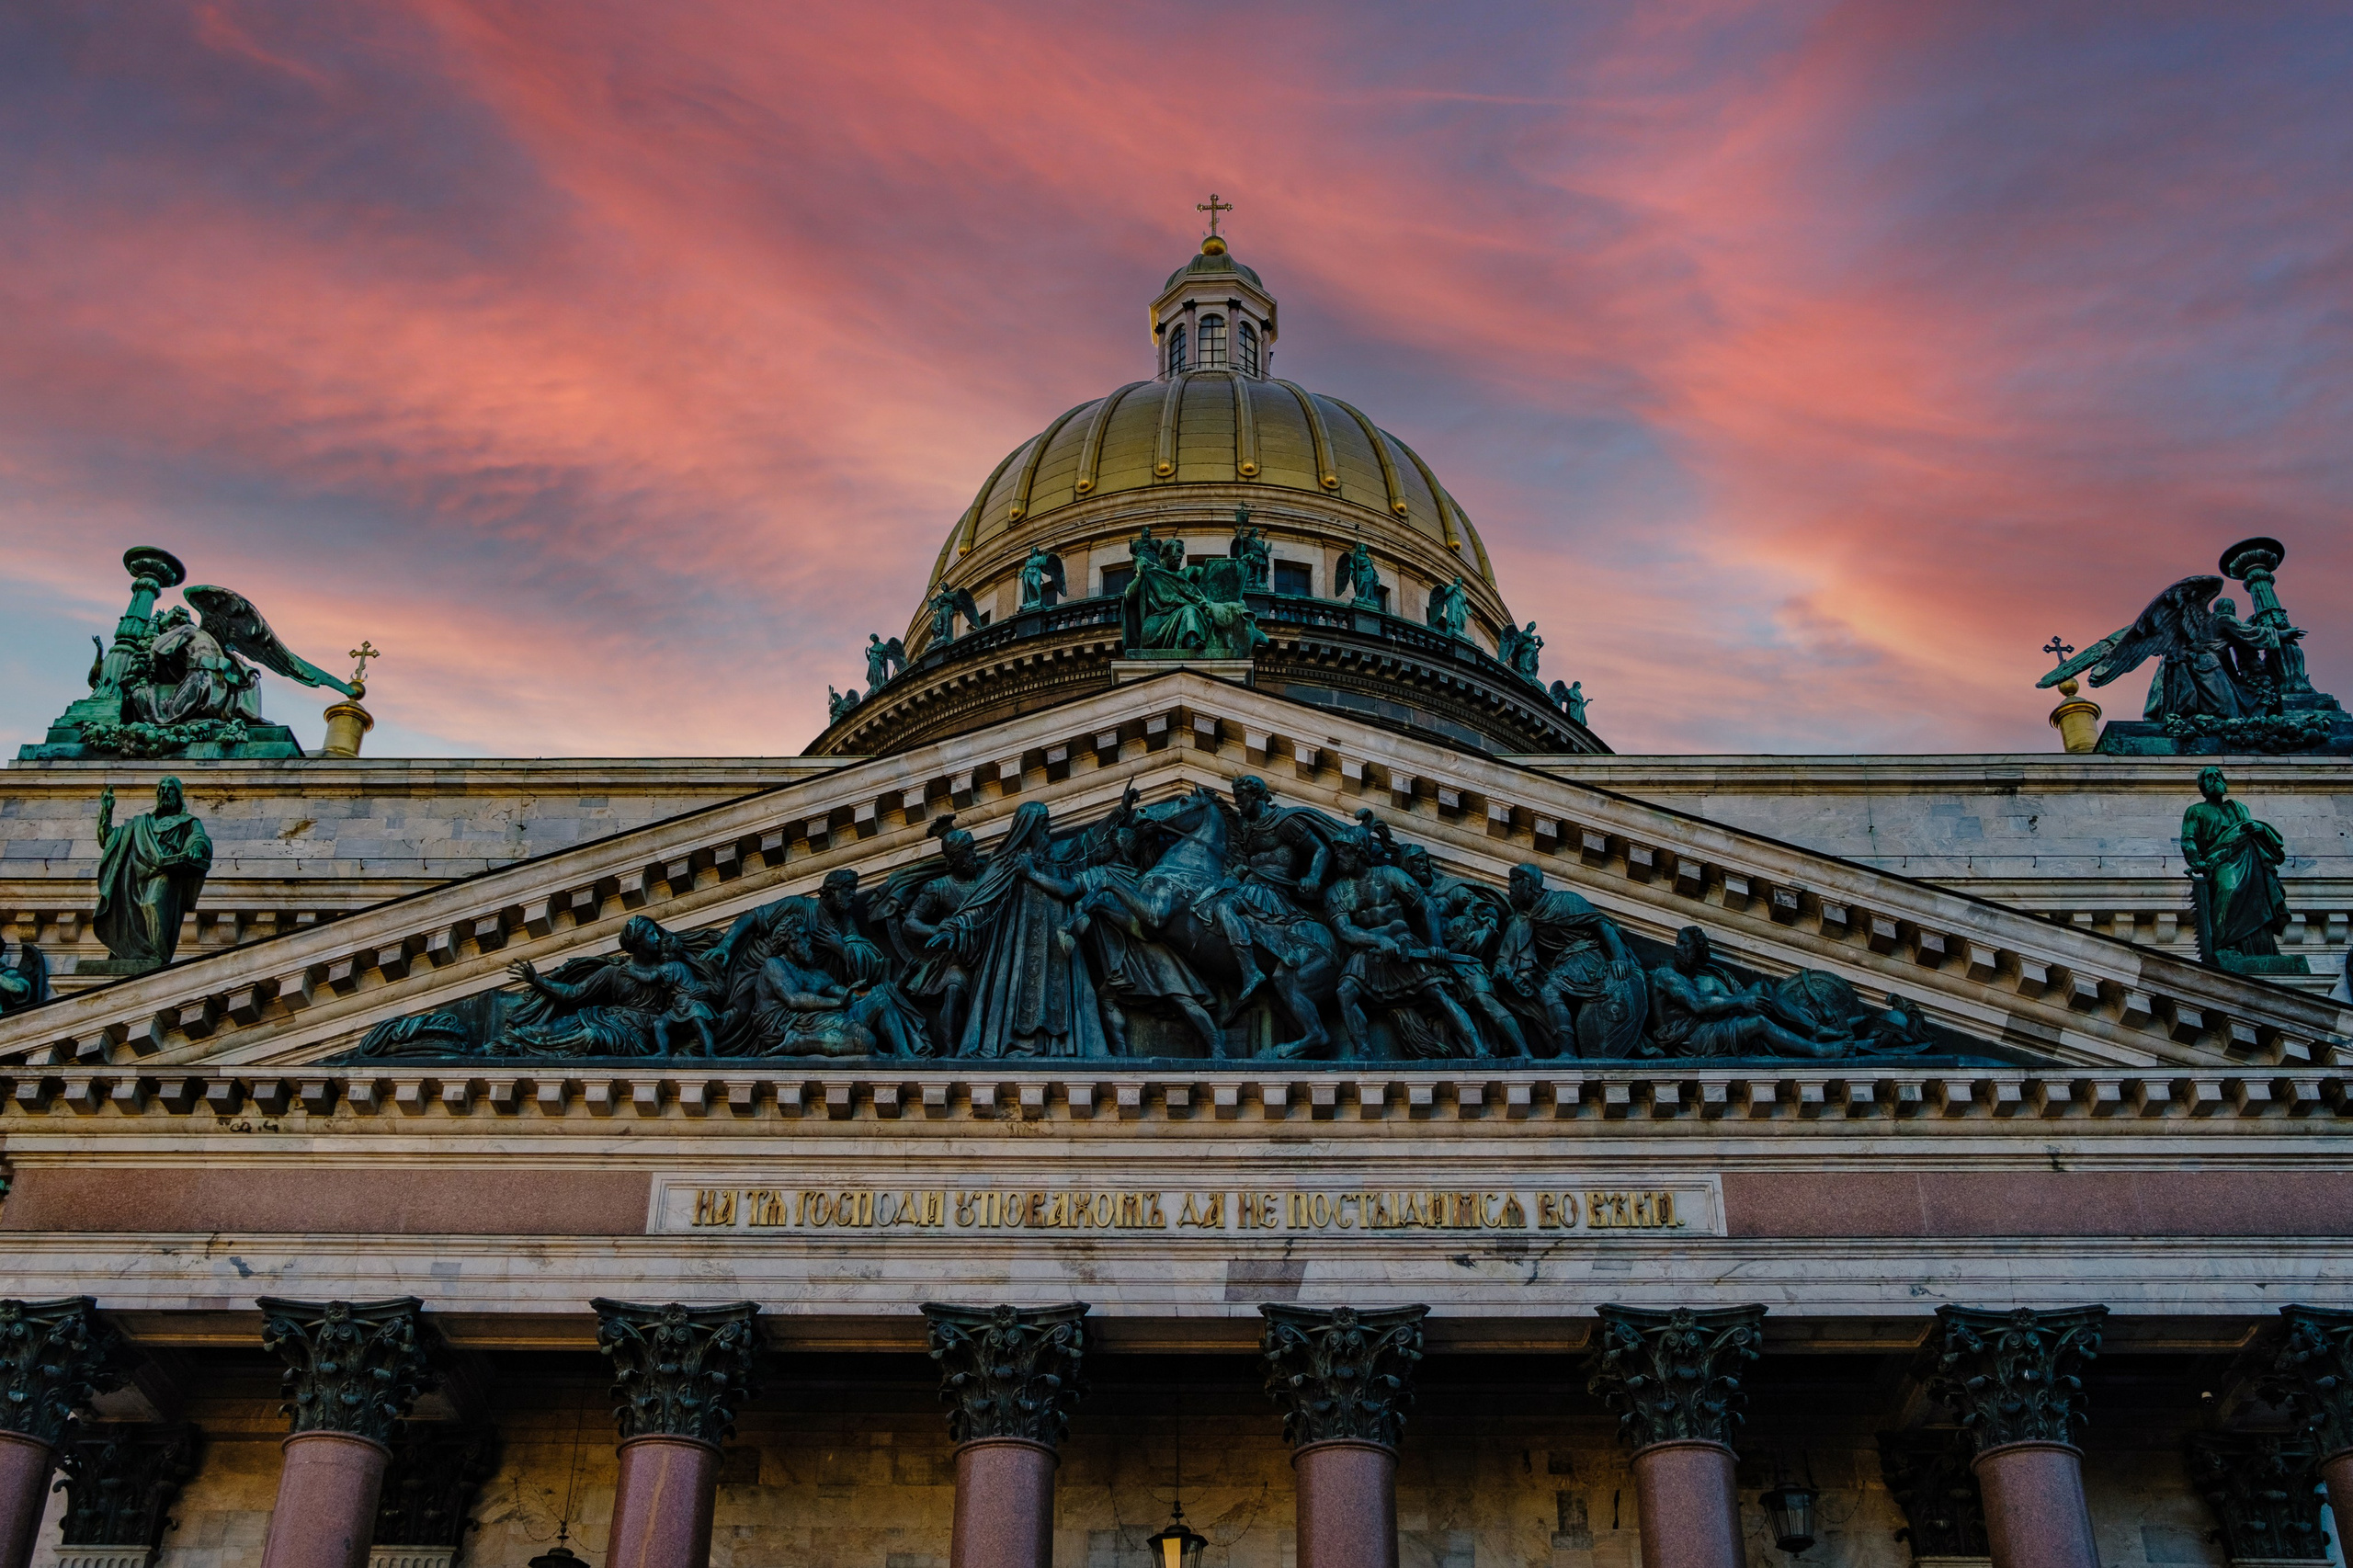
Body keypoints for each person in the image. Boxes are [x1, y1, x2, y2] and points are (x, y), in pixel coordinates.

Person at [928, 802, 1108, 1058]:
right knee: (1018, 994)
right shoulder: (1005, 863)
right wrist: (955, 929)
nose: (1048, 827)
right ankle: (1015, 1046)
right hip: (1016, 952)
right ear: (1028, 827)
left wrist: (1120, 811)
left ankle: (1059, 1048)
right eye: (1042, 823)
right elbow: (980, 904)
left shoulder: (1057, 858)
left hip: (1057, 949)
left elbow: (1088, 844)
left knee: (1057, 999)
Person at [1324, 830, 1483, 1058]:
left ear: (1358, 852)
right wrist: (1378, 940)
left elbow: (1426, 905)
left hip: (1403, 944)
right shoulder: (1335, 892)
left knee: (1436, 992)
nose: (1337, 855)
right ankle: (1363, 1051)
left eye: (1343, 849)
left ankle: (1478, 1049)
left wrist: (1436, 944)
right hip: (1368, 950)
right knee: (1345, 992)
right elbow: (1344, 930)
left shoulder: (1390, 874)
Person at [502, 915, 722, 1057]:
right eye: (650, 934)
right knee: (547, 1029)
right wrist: (536, 980)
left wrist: (706, 990)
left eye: (656, 932)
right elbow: (572, 994)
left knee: (591, 1037)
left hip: (637, 1035)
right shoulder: (614, 972)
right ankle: (509, 1046)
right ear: (637, 942)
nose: (657, 937)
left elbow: (709, 985)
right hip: (606, 1019)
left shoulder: (670, 967)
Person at [1492, 863, 1643, 1055]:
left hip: (1589, 956)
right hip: (1564, 965)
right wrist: (1501, 970)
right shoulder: (1521, 920)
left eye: (1515, 881)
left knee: (1550, 991)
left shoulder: (1565, 901)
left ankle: (1568, 1051)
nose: (1510, 887)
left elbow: (1602, 925)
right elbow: (1505, 956)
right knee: (1540, 990)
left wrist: (1619, 958)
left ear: (1529, 883)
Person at [1397, 845, 1529, 1056]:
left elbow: (1484, 909)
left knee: (1484, 1002)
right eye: (1416, 862)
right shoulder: (1400, 898)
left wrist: (1479, 934)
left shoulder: (1449, 889)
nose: (1422, 866)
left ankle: (1525, 1053)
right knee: (1439, 1022)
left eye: (1424, 861)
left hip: (1461, 962)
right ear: (1404, 866)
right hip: (1426, 969)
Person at [1643, 926, 1845, 1059]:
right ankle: (1818, 1051)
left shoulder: (1705, 977)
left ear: (1697, 950)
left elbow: (1729, 1000)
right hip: (1689, 1040)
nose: (1676, 948)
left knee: (1761, 987)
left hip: (1707, 1029)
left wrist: (1745, 1000)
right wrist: (1741, 1002)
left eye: (1684, 943)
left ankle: (1814, 1029)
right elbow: (1697, 1004)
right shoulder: (1666, 975)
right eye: (1678, 942)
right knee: (1759, 1023)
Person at [748, 914, 929, 1058]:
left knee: (881, 999)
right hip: (789, 1026)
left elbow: (854, 998)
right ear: (789, 941)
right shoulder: (775, 965)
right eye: (803, 936)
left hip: (826, 1019)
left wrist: (900, 982)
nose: (809, 941)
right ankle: (799, 1042)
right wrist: (836, 1003)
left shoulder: (817, 975)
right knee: (865, 1041)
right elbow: (795, 999)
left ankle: (904, 1054)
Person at [92, 777, 212, 967]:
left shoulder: (188, 822)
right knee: (132, 912)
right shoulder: (141, 823)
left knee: (153, 903)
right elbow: (110, 840)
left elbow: (199, 838)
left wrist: (196, 849)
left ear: (178, 795)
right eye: (161, 789)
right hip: (136, 876)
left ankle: (155, 955)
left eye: (170, 789)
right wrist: (106, 813)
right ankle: (133, 955)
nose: (165, 792)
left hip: (167, 871)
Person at [2181, 767, 2291, 964]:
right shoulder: (2196, 811)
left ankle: (2260, 948)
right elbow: (2188, 839)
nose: (2214, 779)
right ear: (2202, 786)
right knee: (2228, 889)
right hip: (2220, 860)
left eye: (2217, 776)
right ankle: (2225, 944)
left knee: (2259, 900)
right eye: (2208, 777)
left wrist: (2258, 827)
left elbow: (2251, 828)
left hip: (2250, 858)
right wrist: (2194, 860)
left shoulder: (2238, 807)